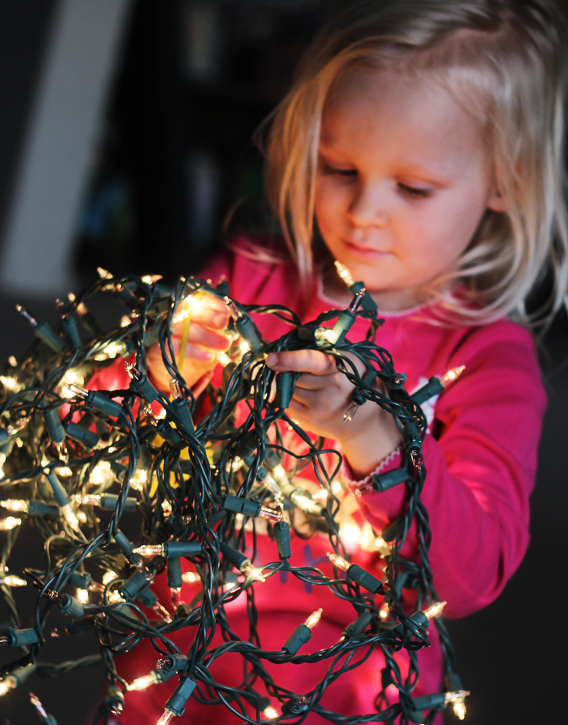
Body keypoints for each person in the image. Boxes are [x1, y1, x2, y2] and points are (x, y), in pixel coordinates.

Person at [115, 1, 568, 722]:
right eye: (339, 168)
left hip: (350, 693)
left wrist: (371, 435)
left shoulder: (487, 360)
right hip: (177, 665)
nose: (364, 212)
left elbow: (473, 574)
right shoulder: (252, 279)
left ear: (505, 180)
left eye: (413, 187)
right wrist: (161, 372)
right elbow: (103, 436)